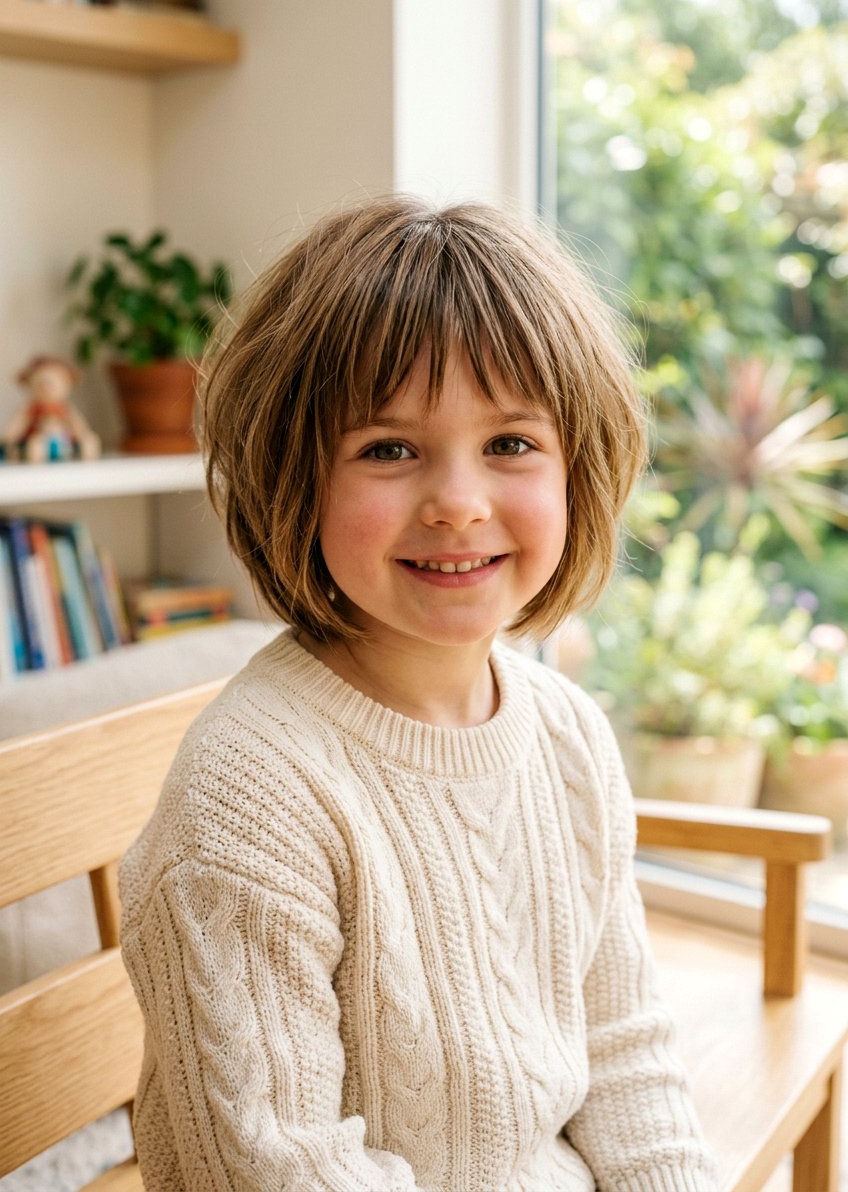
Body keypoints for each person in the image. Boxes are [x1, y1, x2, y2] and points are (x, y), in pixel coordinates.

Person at [119, 197, 718, 1192]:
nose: (457, 500)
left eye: (510, 444)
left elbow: (624, 1055)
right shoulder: (252, 795)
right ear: (293, 476)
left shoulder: (565, 731)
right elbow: (279, 1170)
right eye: (388, 448)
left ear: (581, 467)